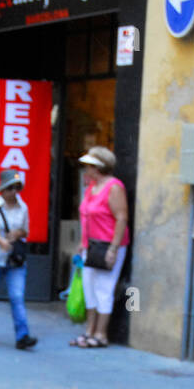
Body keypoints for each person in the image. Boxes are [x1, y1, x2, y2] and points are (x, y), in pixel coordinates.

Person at [73, 145, 130, 348]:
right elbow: (86, 217)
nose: (86, 169)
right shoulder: (91, 187)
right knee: (89, 287)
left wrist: (113, 249)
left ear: (98, 167)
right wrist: (82, 242)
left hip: (108, 245)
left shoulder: (114, 187)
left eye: (89, 166)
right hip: (92, 245)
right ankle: (89, 330)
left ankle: (101, 334)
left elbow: (121, 218)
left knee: (104, 288)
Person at [0, 169, 38, 350]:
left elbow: (25, 230)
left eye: (16, 188)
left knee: (17, 296)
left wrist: (17, 233)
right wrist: (2, 241)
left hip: (15, 261)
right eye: (10, 188)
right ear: (2, 189)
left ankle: (22, 335)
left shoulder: (23, 207)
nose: (13, 192)